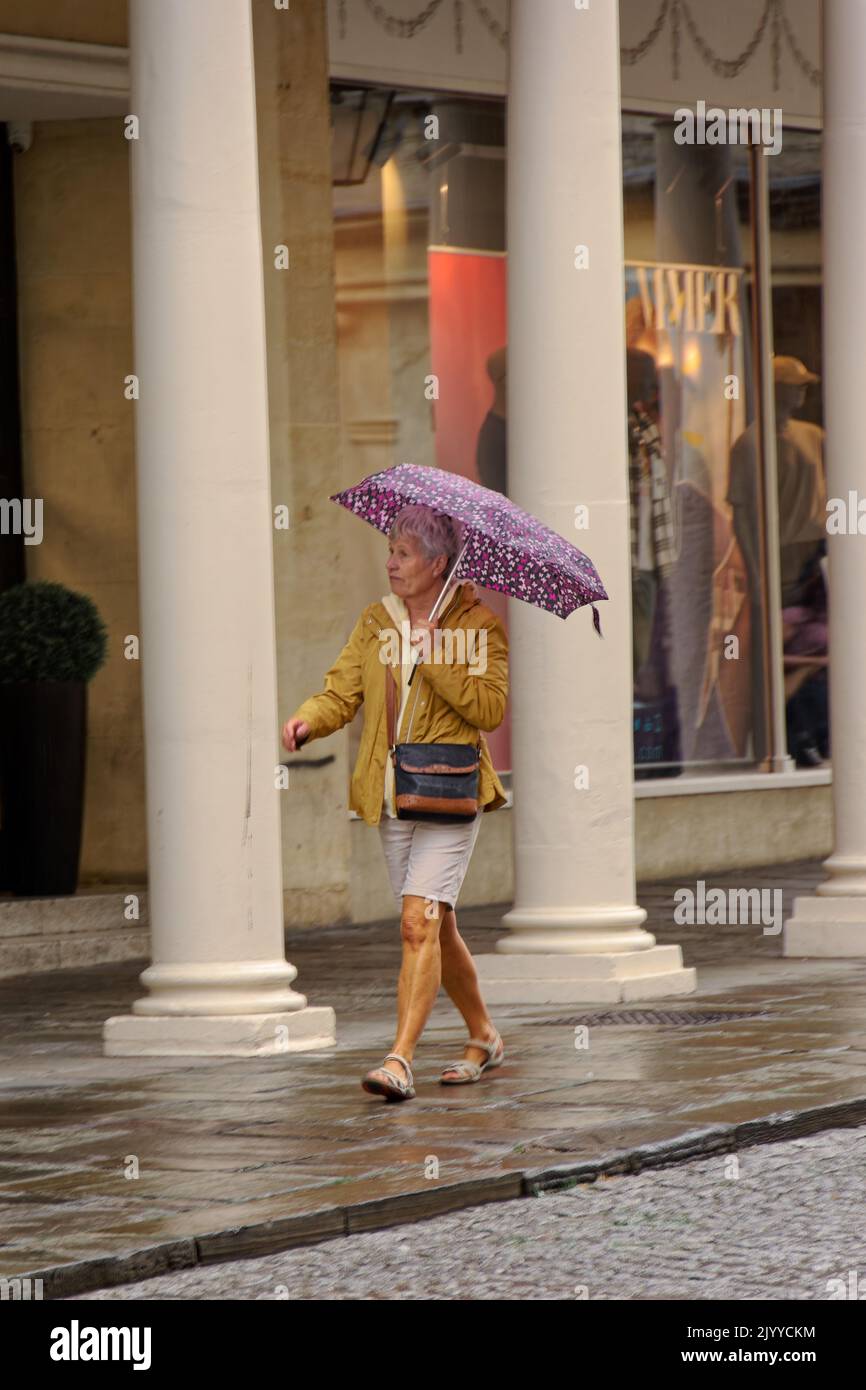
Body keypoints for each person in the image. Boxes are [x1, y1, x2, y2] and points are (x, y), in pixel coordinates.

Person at [281, 505, 509, 1102]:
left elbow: (489, 709)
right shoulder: (375, 623)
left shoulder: (478, 626)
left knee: (417, 924)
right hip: (391, 794)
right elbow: (343, 690)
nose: (390, 563)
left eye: (403, 554)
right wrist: (309, 719)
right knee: (437, 924)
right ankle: (483, 1035)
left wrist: (434, 654)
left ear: (438, 564)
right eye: (390, 551)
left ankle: (398, 1059)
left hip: (451, 795)